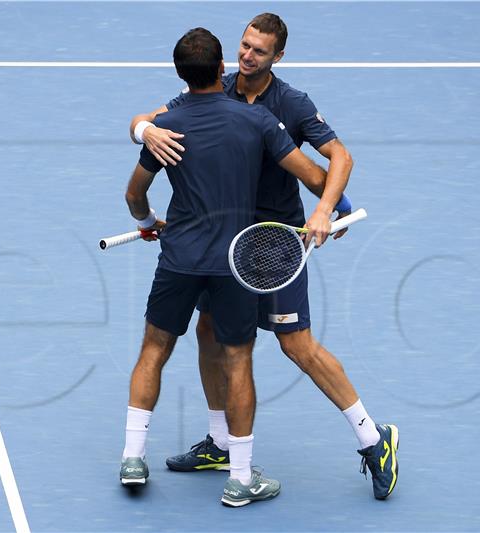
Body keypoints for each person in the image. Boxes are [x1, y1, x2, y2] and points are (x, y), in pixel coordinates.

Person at [129, 13, 399, 500]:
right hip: (222, 245)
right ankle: (220, 442)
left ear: (279, 56)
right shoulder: (219, 86)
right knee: (210, 334)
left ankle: (373, 439)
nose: (247, 56)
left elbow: (338, 159)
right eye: (244, 45)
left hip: (273, 242)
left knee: (296, 345)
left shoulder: (291, 103)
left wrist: (323, 211)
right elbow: (148, 119)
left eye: (259, 50)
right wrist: (144, 131)